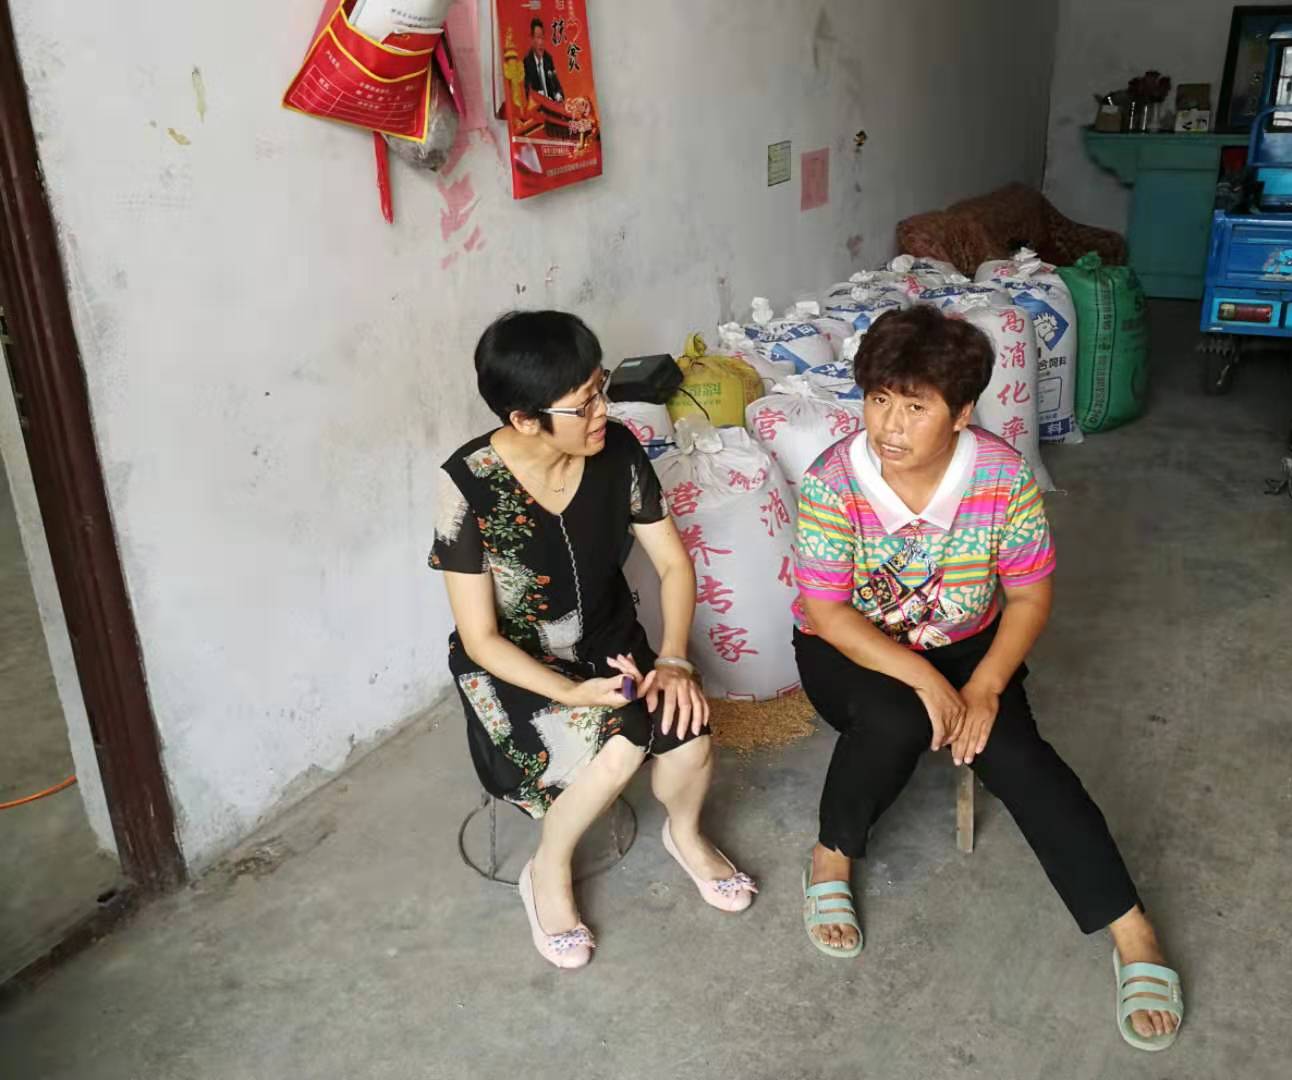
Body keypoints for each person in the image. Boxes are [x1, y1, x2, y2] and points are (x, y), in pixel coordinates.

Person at [790, 306, 1184, 1051]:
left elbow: (1030, 597)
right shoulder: (833, 481)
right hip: (849, 652)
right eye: (879, 399)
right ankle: (830, 857)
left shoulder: (1001, 476)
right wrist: (923, 680)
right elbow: (827, 611)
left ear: (962, 412)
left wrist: (985, 686)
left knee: (1020, 756)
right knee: (897, 718)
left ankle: (1132, 931)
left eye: (916, 407)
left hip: (970, 649)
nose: (890, 426)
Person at [430, 311, 755, 970]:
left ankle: (686, 835)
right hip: (515, 668)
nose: (603, 410)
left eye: (601, 389)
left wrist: (673, 659)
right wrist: (569, 692)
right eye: (583, 404)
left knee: (689, 732)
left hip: (608, 642)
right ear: (525, 419)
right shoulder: (468, 483)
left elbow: (673, 564)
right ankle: (548, 869)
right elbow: (480, 637)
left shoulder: (619, 451)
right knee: (623, 739)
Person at [523, 17, 563, 102]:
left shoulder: (548, 59)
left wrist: (558, 95)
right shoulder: (527, 62)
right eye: (538, 38)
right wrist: (539, 96)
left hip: (551, 104)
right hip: (537, 106)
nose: (541, 42)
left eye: (542, 38)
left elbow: (556, 85)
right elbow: (527, 91)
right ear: (532, 39)